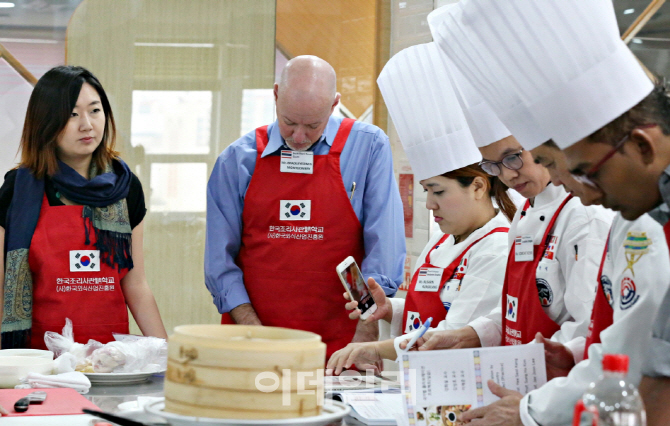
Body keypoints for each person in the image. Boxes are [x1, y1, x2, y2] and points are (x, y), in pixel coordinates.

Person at [428, 1, 666, 424]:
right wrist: (570, 355)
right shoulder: (637, 213)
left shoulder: (636, 225)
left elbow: (640, 371)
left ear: (643, 147)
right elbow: (619, 350)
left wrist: (531, 412)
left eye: (585, 174)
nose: (586, 196)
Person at [327, 42, 515, 375]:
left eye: (439, 192)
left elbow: (449, 336)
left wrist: (370, 347)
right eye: (427, 191)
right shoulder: (444, 239)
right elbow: (429, 312)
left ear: (479, 186)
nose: (430, 204)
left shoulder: (496, 249)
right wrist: (390, 310)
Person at [205, 55, 405, 358]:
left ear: (334, 103)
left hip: (345, 339)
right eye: (288, 122)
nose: (299, 137)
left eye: (312, 125)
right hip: (254, 335)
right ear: (275, 95)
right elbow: (220, 261)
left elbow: (383, 248)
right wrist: (250, 328)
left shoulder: (368, 147)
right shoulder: (238, 160)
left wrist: (366, 326)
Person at [0, 65, 167, 349]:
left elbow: (135, 283)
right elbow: (3, 287)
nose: (87, 124)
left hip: (110, 357)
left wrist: (167, 354)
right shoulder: (19, 189)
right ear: (46, 122)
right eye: (71, 114)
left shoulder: (126, 187)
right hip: (39, 359)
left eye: (94, 110)